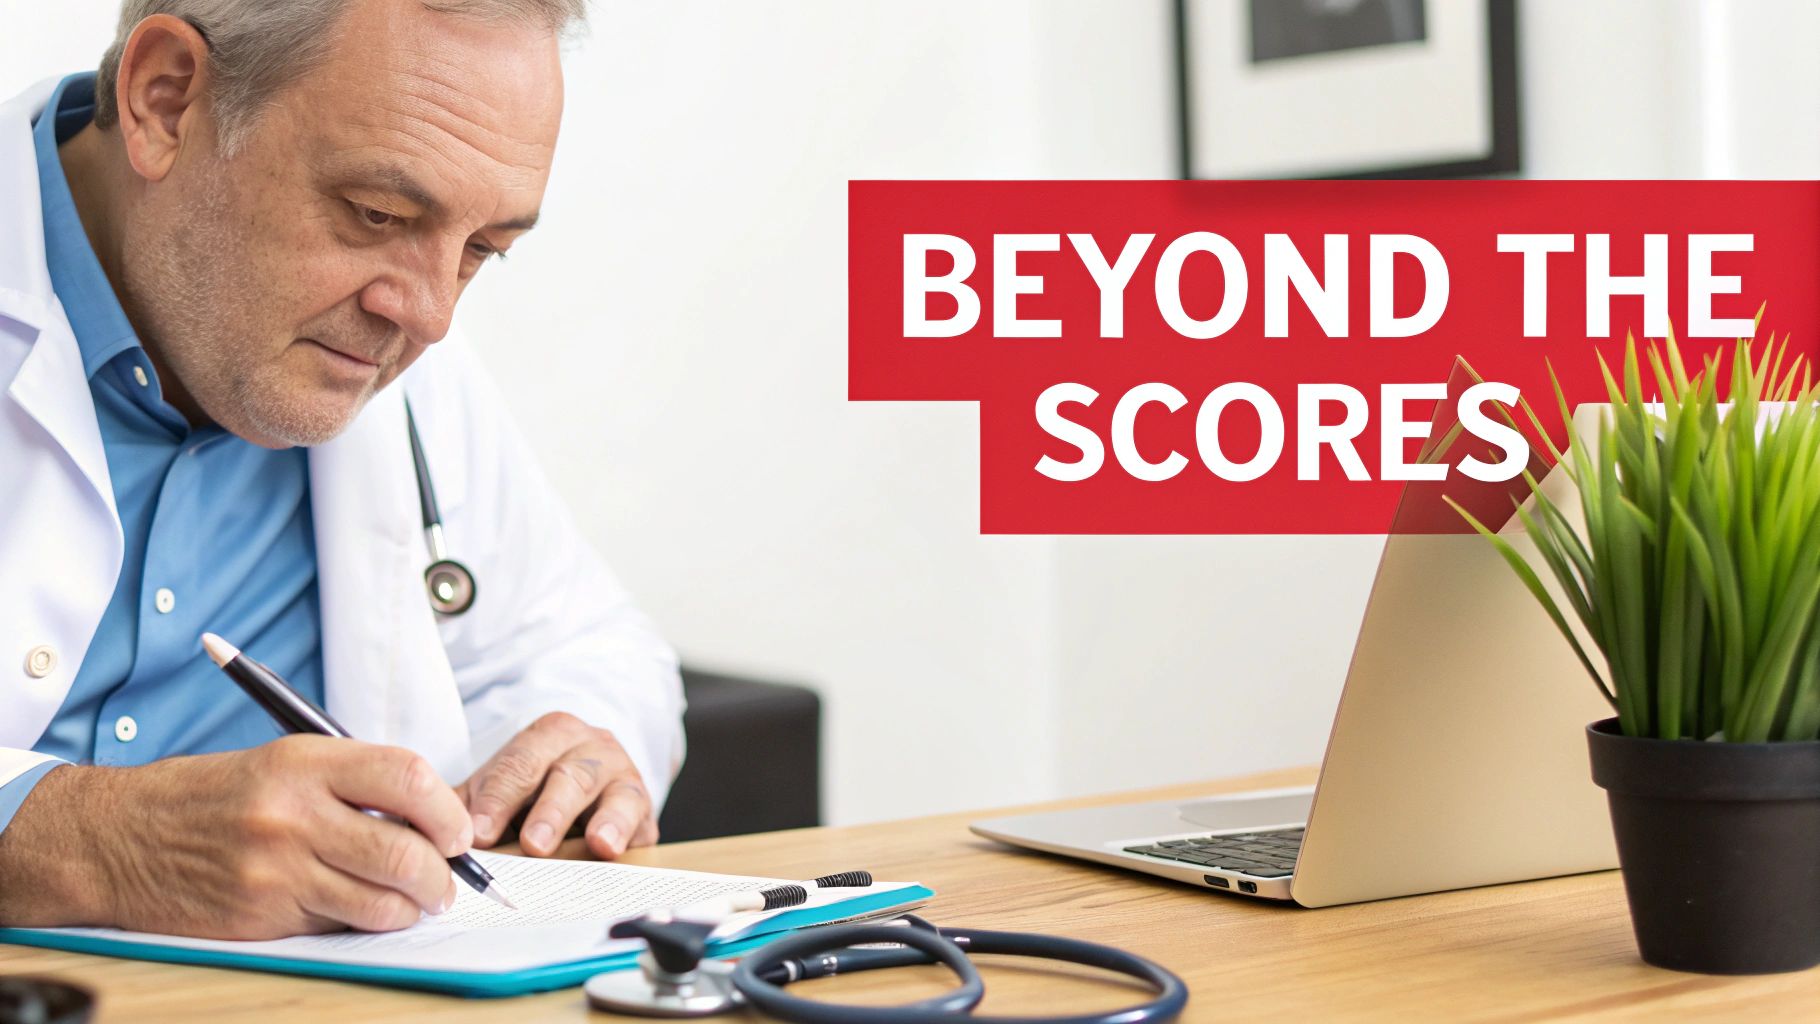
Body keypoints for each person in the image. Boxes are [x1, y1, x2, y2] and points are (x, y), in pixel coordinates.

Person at [0, 0, 684, 940]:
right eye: (377, 214)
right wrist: (93, 841)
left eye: (482, 252)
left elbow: (592, 647)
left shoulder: (383, 348)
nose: (431, 316)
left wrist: (570, 750)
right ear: (166, 100)